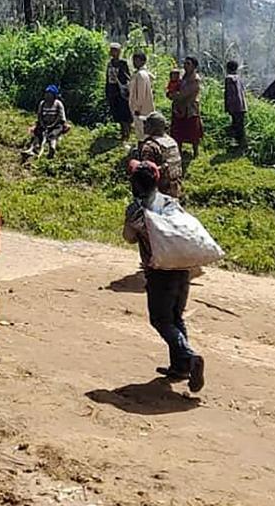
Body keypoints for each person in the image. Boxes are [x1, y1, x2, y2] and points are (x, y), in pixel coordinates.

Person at [122, 160, 206, 393]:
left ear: (135, 185)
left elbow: (128, 237)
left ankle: (190, 357)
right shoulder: (172, 203)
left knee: (160, 320)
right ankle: (179, 366)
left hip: (159, 273)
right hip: (182, 269)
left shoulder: (136, 210)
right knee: (176, 317)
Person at [137, 111, 184, 199]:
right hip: (175, 188)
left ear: (153, 128)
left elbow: (147, 173)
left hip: (159, 192)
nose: (143, 126)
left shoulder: (150, 146)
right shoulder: (171, 141)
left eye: (146, 123)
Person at [168, 57, 203, 158]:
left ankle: (195, 152)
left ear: (194, 66)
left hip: (190, 108)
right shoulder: (183, 77)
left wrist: (172, 95)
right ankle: (178, 150)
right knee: (178, 130)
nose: (185, 66)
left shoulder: (195, 79)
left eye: (188, 64)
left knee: (192, 131)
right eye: (184, 63)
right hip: (179, 107)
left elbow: (184, 94)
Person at [24, 85, 68, 160]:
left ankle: (52, 148)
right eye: (46, 93)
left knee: (52, 135)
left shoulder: (58, 104)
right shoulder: (42, 103)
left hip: (56, 125)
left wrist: (52, 125)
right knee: (38, 132)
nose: (47, 96)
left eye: (49, 94)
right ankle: (32, 148)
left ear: (54, 95)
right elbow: (39, 116)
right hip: (44, 124)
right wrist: (42, 124)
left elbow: (60, 117)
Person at [106, 43, 133, 141]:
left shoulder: (123, 63)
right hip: (112, 91)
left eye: (115, 50)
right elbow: (107, 78)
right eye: (112, 50)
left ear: (119, 51)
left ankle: (127, 134)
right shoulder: (110, 63)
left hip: (122, 92)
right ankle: (122, 133)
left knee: (125, 113)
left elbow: (127, 77)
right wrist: (107, 91)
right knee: (117, 113)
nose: (113, 52)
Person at [129, 52, 155, 140]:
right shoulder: (143, 73)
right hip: (144, 107)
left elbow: (140, 93)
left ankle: (144, 149)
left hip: (141, 109)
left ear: (143, 62)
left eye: (137, 60)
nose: (134, 63)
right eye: (134, 60)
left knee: (141, 131)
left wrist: (137, 108)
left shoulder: (141, 74)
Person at [224, 61, 248, 148]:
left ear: (227, 68)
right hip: (241, 105)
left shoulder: (228, 79)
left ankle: (240, 144)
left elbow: (229, 94)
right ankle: (241, 143)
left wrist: (228, 107)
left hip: (234, 106)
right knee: (240, 125)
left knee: (236, 125)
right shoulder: (238, 78)